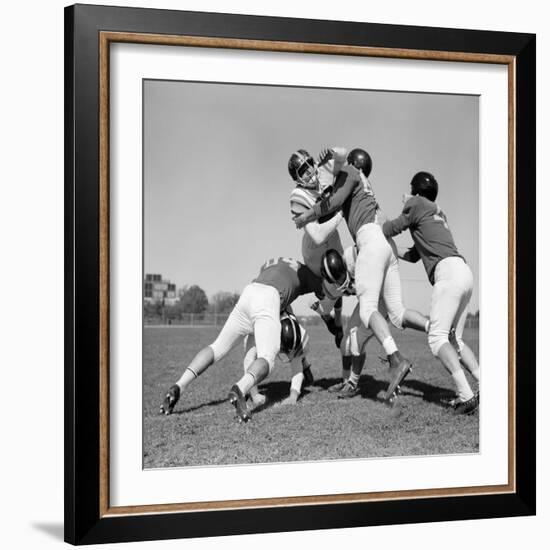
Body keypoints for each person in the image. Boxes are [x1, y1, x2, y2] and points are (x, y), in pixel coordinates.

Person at [294, 148, 416, 402]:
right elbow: (383, 224)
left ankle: (396, 359)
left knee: (367, 310)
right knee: (396, 313)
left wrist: (309, 214)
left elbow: (335, 200)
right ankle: (437, 331)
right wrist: (404, 253)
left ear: (352, 165)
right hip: (385, 247)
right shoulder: (367, 189)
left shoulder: (350, 172)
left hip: (369, 242)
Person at [160, 257, 326, 422]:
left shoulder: (276, 264)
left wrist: (256, 394)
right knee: (267, 359)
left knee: (217, 347)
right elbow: (327, 295)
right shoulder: (311, 277)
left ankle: (179, 385)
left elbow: (249, 355)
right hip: (268, 300)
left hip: (249, 292)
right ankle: (240, 389)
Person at [381, 171, 479, 414]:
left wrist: (381, 222)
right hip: (463, 270)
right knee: (455, 340)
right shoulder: (435, 210)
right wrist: (395, 250)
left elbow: (391, 228)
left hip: (447, 273)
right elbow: (415, 255)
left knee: (437, 339)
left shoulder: (415, 203)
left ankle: (466, 395)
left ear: (415, 190)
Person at [287, 147, 348, 347]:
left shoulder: (322, 173)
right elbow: (319, 236)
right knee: (329, 285)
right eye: (303, 170)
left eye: (310, 164)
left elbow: (344, 156)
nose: (310, 171)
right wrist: (340, 213)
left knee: (341, 282)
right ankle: (325, 314)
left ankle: (336, 322)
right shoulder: (298, 195)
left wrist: (332, 151)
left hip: (334, 239)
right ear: (297, 178)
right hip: (315, 249)